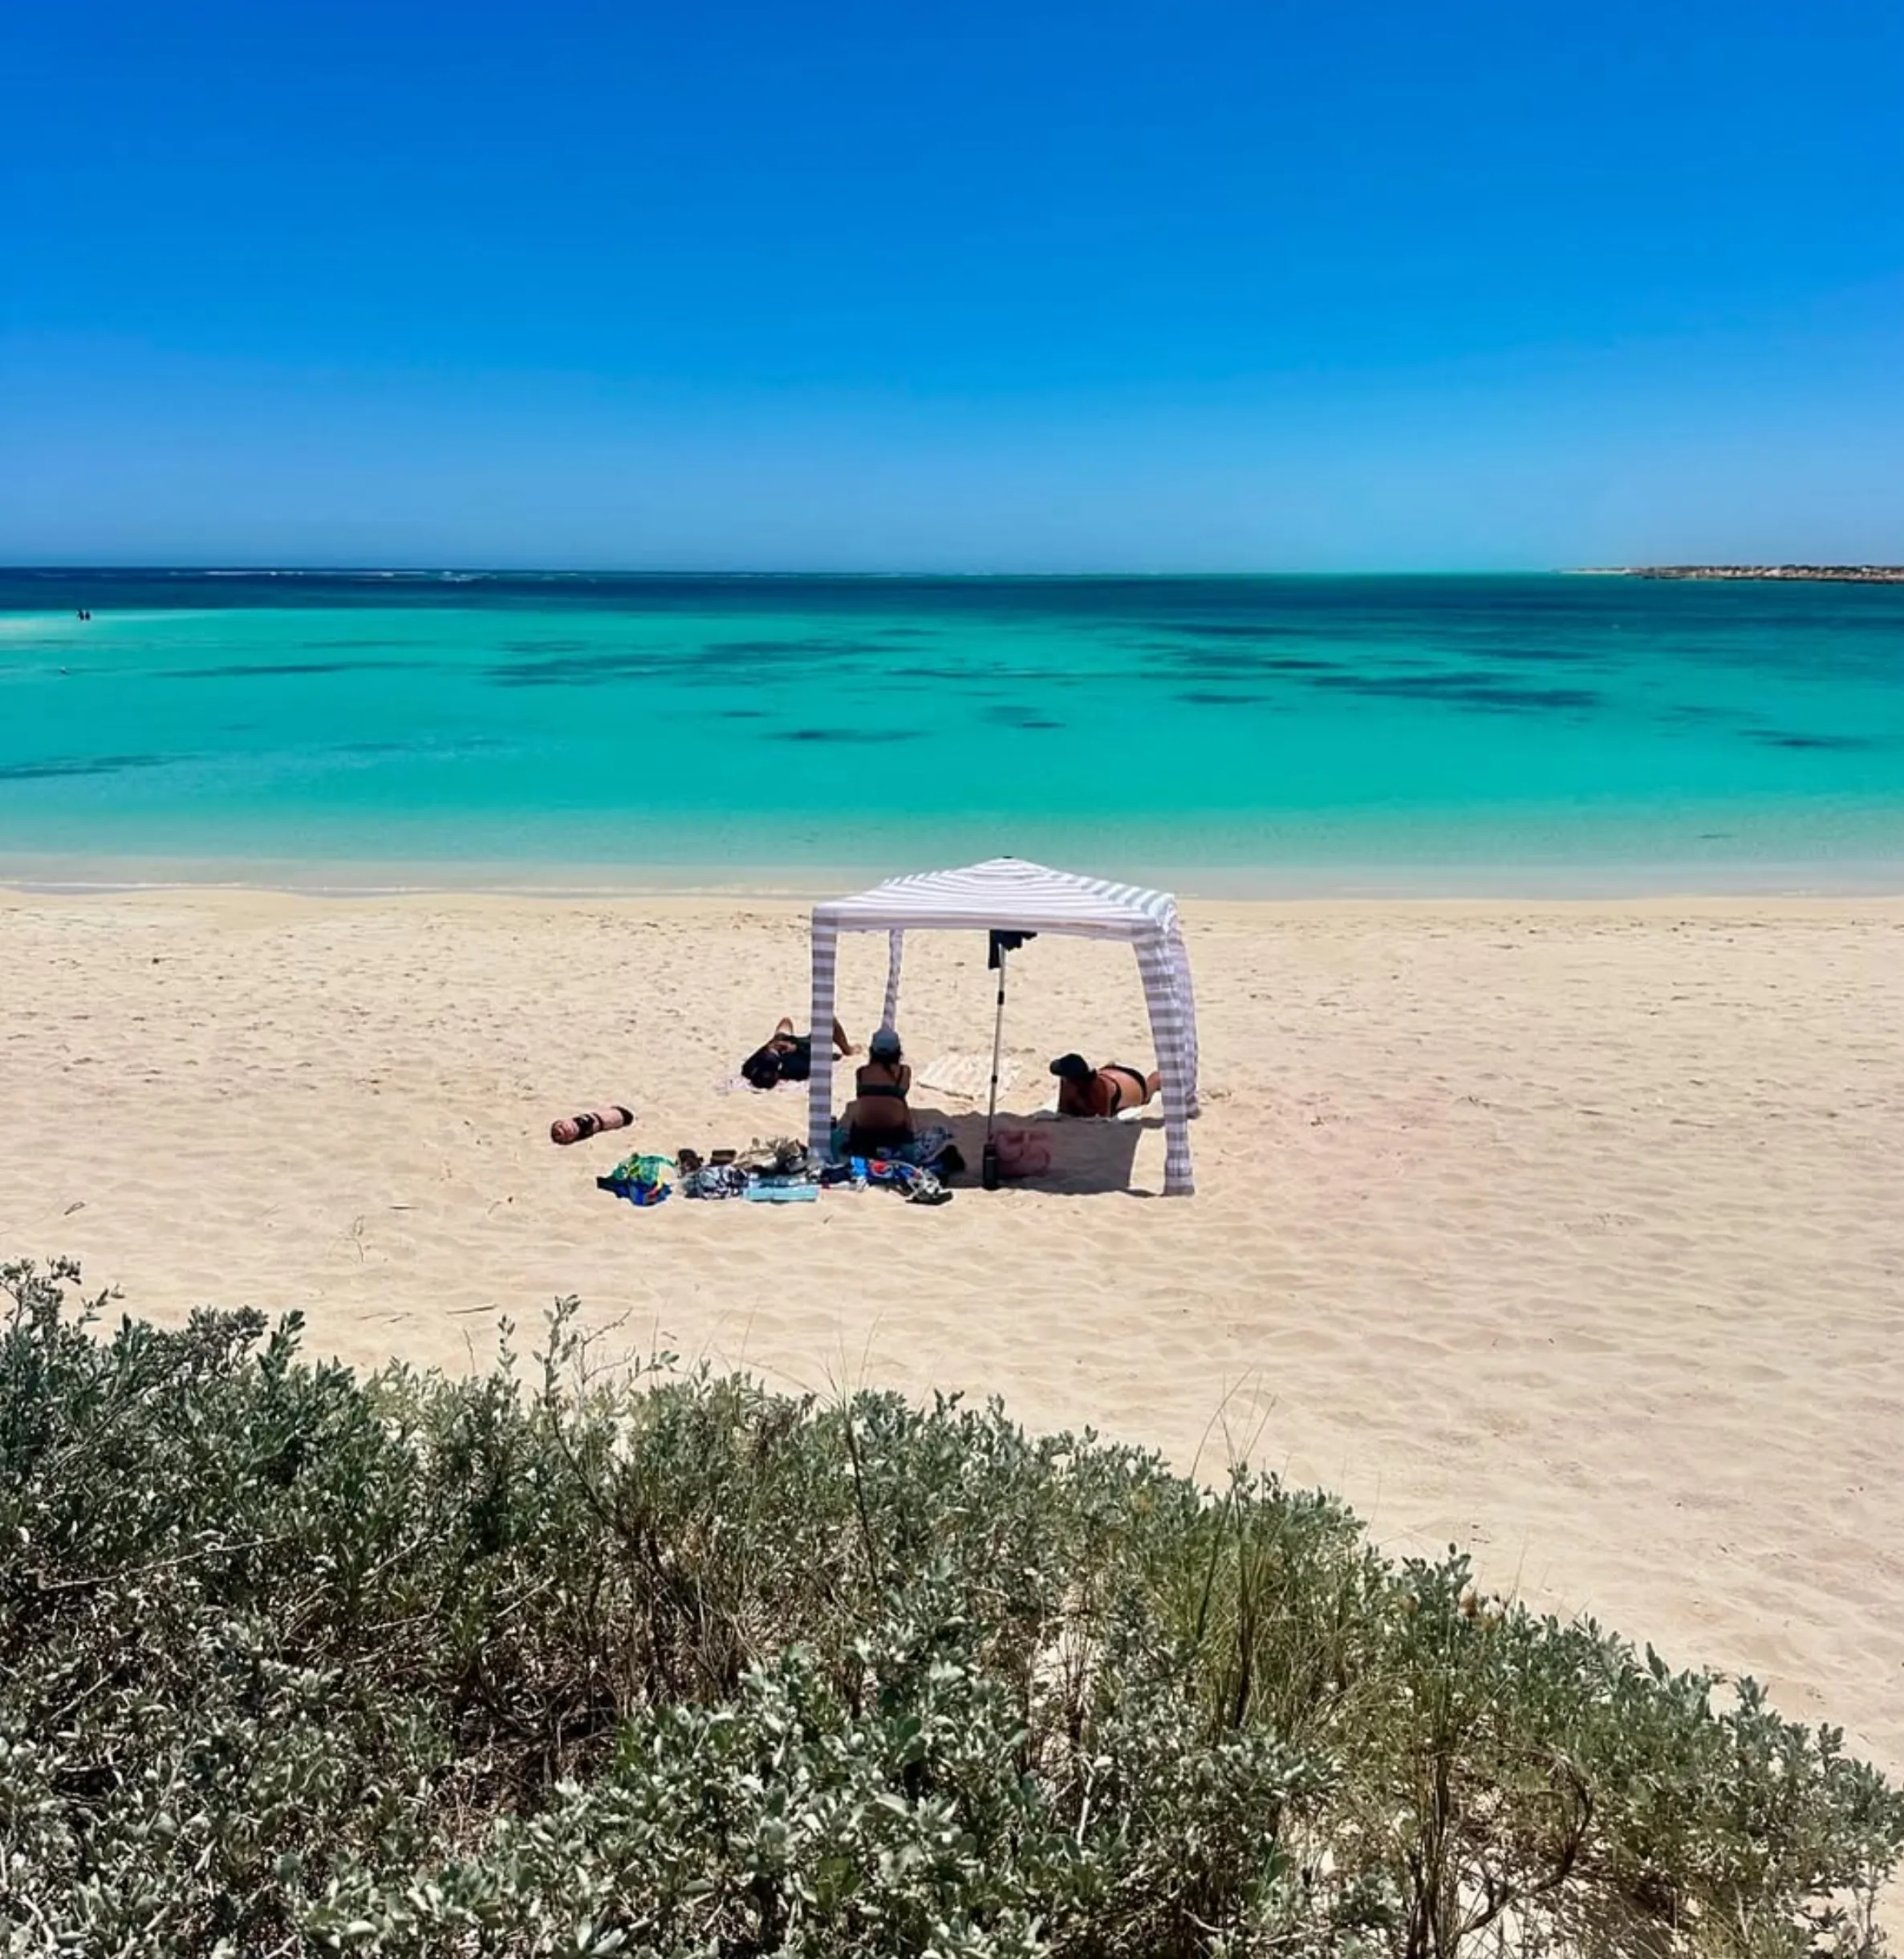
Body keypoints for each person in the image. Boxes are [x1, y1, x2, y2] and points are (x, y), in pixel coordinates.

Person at [842, 1026, 912, 1155]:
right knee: (900, 1103)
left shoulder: (862, 1072)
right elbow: (901, 1094)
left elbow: (862, 1097)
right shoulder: (904, 1072)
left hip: (863, 1130)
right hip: (894, 1130)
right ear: (898, 1051)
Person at [741, 1016, 853, 1089]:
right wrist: (796, 1048)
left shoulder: (749, 1069)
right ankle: (848, 1050)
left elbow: (762, 1052)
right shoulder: (796, 1069)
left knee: (785, 1021)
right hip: (805, 1046)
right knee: (830, 1021)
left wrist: (773, 1045)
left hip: (783, 1040)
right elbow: (814, 1056)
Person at [1049, 1052, 1159, 1117]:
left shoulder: (1098, 1093)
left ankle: (1158, 1078)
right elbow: (1063, 1111)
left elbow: (1100, 1121)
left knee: (1148, 1092)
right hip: (1108, 1073)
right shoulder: (1067, 1081)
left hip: (1133, 1082)